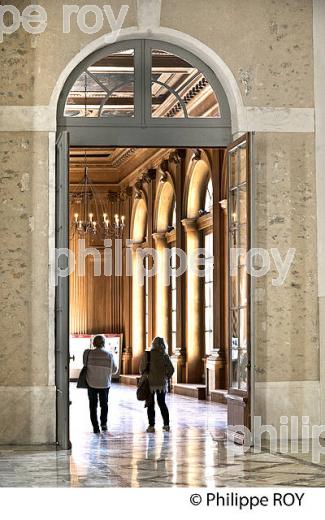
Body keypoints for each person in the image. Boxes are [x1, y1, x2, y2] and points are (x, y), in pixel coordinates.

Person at [83, 335, 117, 434]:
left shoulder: (87, 353)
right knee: (104, 405)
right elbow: (114, 370)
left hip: (91, 383)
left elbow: (84, 364)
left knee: (92, 406)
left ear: (93, 343)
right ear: (104, 343)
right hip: (104, 384)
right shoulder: (109, 355)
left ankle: (95, 427)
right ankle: (103, 424)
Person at [139, 336, 174, 433]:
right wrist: (166, 376)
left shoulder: (147, 355)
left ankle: (151, 426)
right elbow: (171, 369)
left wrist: (145, 374)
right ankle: (166, 425)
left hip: (150, 383)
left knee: (150, 404)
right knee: (162, 403)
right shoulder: (165, 356)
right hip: (161, 384)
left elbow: (141, 369)